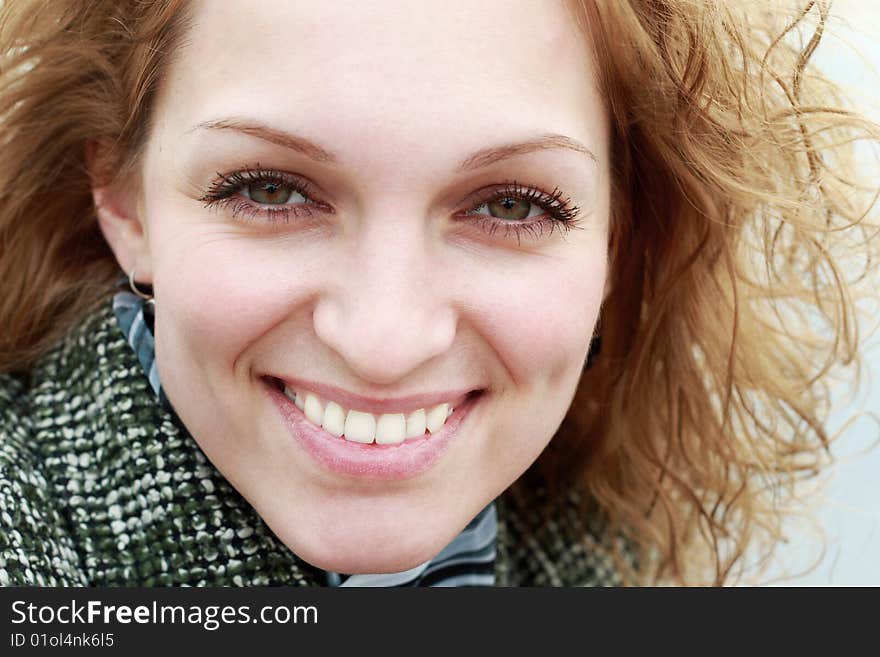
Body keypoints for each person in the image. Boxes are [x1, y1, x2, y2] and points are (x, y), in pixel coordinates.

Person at [0, 0, 876, 587]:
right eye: (271, 189)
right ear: (122, 199)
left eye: (510, 204)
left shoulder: (601, 557)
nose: (384, 341)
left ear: (620, 234)